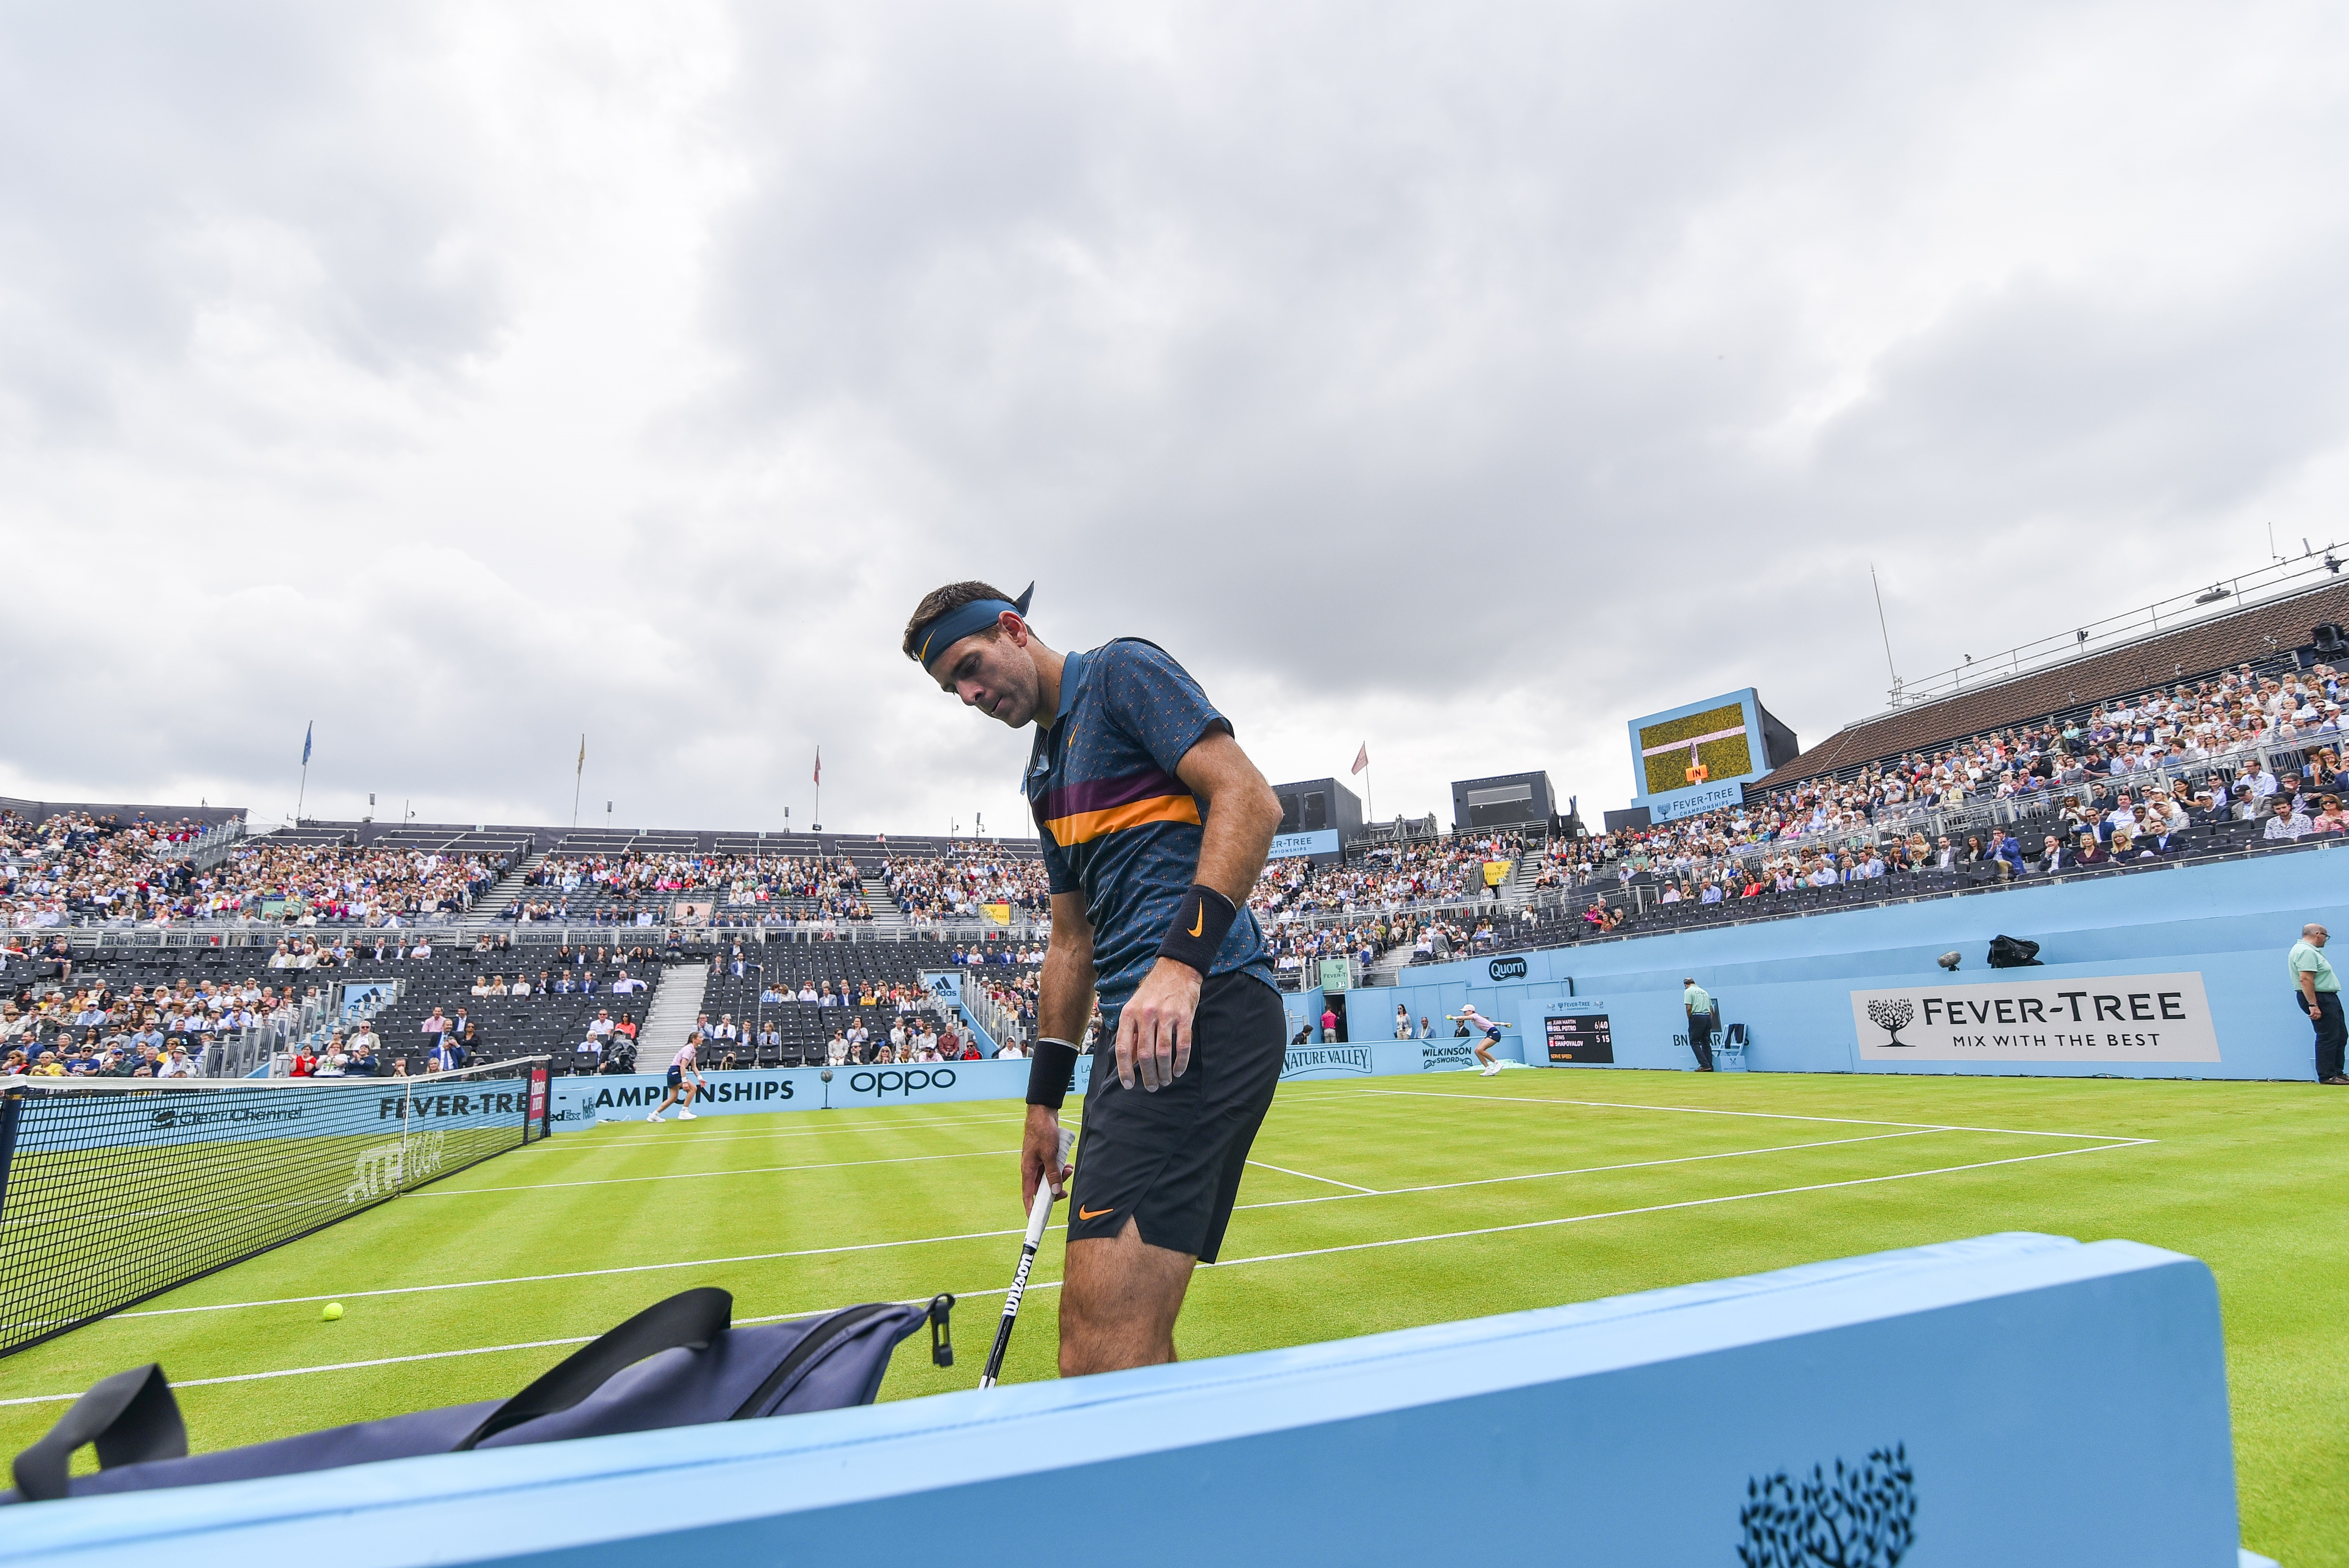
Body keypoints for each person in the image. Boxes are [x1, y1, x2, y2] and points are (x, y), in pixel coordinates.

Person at [905, 577, 1283, 1378]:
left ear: (1013, 629)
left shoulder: (1120, 673)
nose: (970, 695)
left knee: (1097, 1345)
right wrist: (1042, 1103)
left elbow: (1248, 797)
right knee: (1123, 1335)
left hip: (1199, 1011)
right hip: (1133, 1030)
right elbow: (1071, 942)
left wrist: (1181, 964)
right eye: (952, 690)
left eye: (970, 666)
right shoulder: (1043, 775)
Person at [2288, 923, 2347, 1085]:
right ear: (2318, 934)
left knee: (2340, 1035)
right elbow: (2306, 979)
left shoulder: (2309, 951)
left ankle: (2337, 1072)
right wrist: (2313, 1005)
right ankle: (2327, 1075)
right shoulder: (2306, 952)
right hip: (2319, 998)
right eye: (2326, 937)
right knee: (2328, 1036)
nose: (2326, 941)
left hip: (2326, 997)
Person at [647, 1035, 704, 1121]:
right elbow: (683, 1066)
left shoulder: (694, 1051)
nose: (702, 1039)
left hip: (675, 1072)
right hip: (676, 1071)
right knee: (693, 1088)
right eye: (700, 1037)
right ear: (694, 1040)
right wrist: (684, 1081)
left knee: (674, 1098)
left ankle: (654, 1115)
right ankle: (684, 1112)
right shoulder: (688, 1050)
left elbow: (694, 1067)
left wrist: (700, 1079)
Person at [1447, 1003, 1511, 1076]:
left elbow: (1463, 1018)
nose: (1464, 1013)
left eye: (1466, 1011)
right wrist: (1504, 1024)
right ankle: (1488, 1070)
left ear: (1471, 1011)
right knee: (1477, 1051)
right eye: (1464, 1012)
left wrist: (1453, 1018)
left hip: (1494, 1033)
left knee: (1481, 1050)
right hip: (1490, 1034)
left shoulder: (1474, 1016)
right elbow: (1490, 1023)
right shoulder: (1476, 1018)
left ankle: (1497, 1064)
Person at [1682, 978, 1718, 1071]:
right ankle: (1710, 1065)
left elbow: (1689, 1008)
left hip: (1697, 1016)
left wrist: (1691, 1019)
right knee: (1706, 1042)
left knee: (1694, 1042)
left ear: (1686, 985)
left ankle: (1704, 1064)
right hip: (1707, 1017)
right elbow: (1711, 1010)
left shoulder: (1689, 991)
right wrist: (1709, 1021)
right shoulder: (1705, 992)